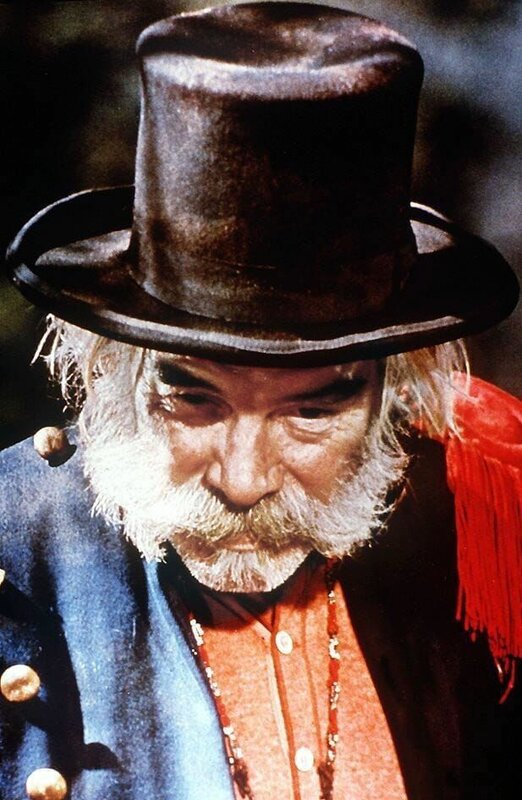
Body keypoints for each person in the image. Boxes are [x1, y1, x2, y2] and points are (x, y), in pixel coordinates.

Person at [1, 3, 520, 799]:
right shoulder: (15, 549)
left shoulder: (466, 539)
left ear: (397, 387)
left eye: (312, 412)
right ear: (112, 367)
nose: (243, 481)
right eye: (193, 398)